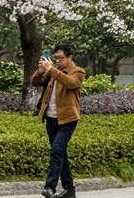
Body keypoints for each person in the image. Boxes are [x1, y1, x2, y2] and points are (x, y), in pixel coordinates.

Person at [31, 44, 85, 198]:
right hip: (51, 118)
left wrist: (51, 70)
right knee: (61, 154)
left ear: (70, 58)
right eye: (55, 58)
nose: (58, 61)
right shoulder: (53, 72)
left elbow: (70, 83)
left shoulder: (78, 71)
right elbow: (34, 83)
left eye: (61, 58)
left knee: (56, 151)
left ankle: (50, 187)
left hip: (68, 119)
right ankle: (69, 190)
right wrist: (40, 72)